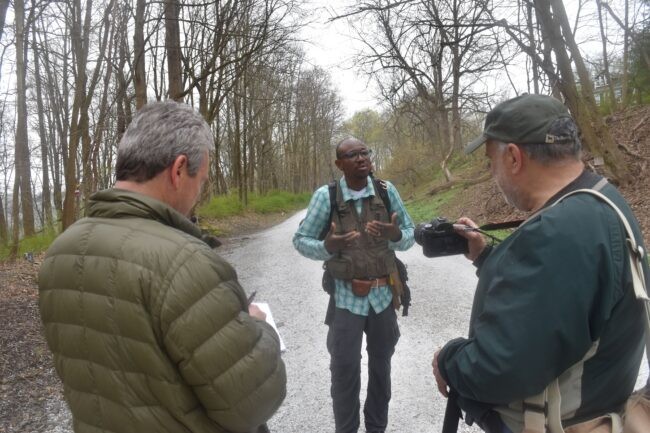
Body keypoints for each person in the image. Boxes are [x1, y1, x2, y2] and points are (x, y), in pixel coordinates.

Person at [38, 101, 286, 433]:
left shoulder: (60, 251)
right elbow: (253, 401)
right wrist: (261, 330)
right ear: (179, 169)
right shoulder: (184, 261)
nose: (199, 193)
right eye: (202, 180)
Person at [432, 94, 650, 433]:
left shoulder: (558, 231)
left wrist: (449, 359)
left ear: (514, 157)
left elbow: (501, 368)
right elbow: (558, 304)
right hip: (603, 412)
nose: (494, 173)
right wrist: (486, 256)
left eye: (492, 161)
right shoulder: (603, 200)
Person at [293, 137, 415, 433]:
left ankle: (376, 428)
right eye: (352, 155)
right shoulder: (326, 197)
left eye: (364, 152)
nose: (361, 158)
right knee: (344, 372)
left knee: (381, 370)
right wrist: (328, 246)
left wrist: (395, 234)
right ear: (339, 164)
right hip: (346, 301)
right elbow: (300, 240)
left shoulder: (387, 192)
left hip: (384, 297)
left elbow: (410, 234)